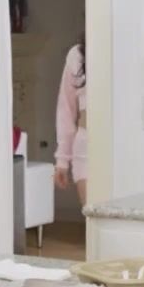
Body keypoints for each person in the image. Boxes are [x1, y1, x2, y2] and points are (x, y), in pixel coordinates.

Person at [53, 34, 87, 204]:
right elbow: (66, 109)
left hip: (122, 145)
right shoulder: (77, 54)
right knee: (93, 214)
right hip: (86, 147)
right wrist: (62, 160)